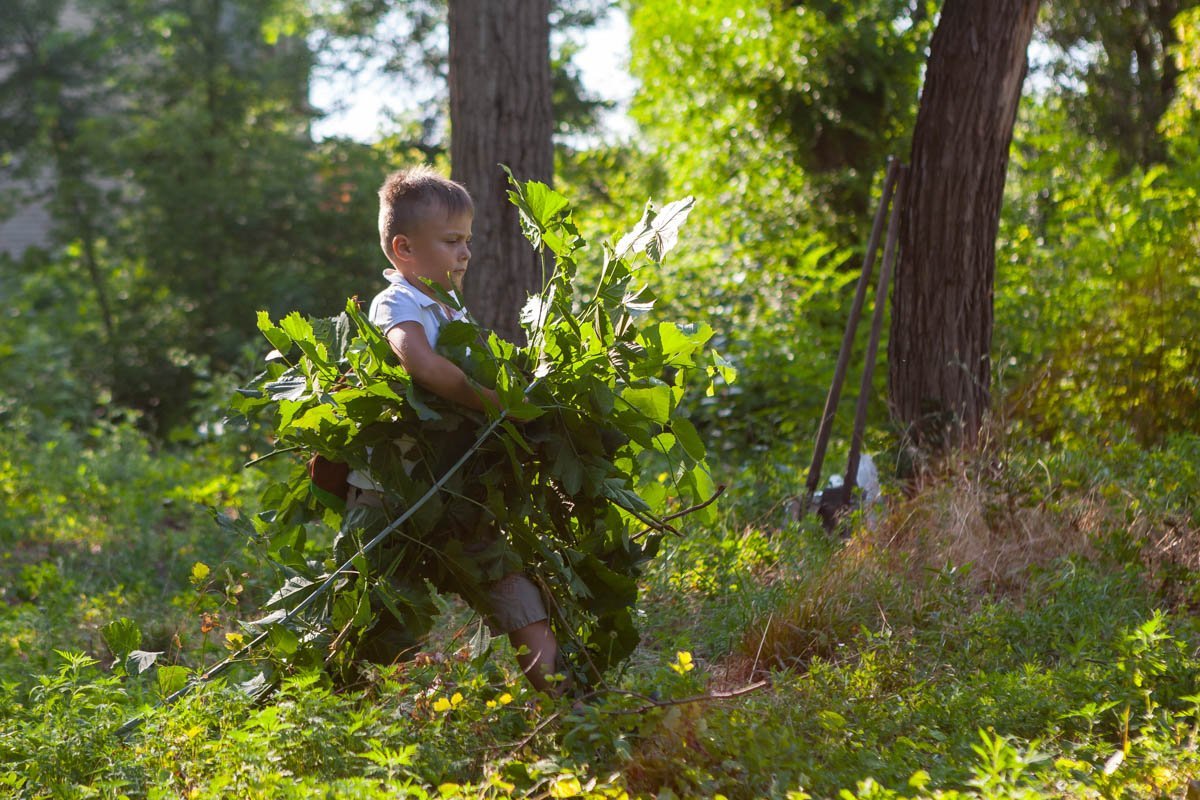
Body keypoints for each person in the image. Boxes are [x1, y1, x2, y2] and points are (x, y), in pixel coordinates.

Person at [339, 165, 562, 694]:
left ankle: (570, 699)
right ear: (404, 249)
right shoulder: (397, 303)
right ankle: (339, 710)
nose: (465, 253)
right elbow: (422, 365)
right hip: (391, 498)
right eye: (451, 241)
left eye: (467, 241)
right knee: (373, 613)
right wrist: (496, 404)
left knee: (509, 584)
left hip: (456, 491)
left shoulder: (452, 311)